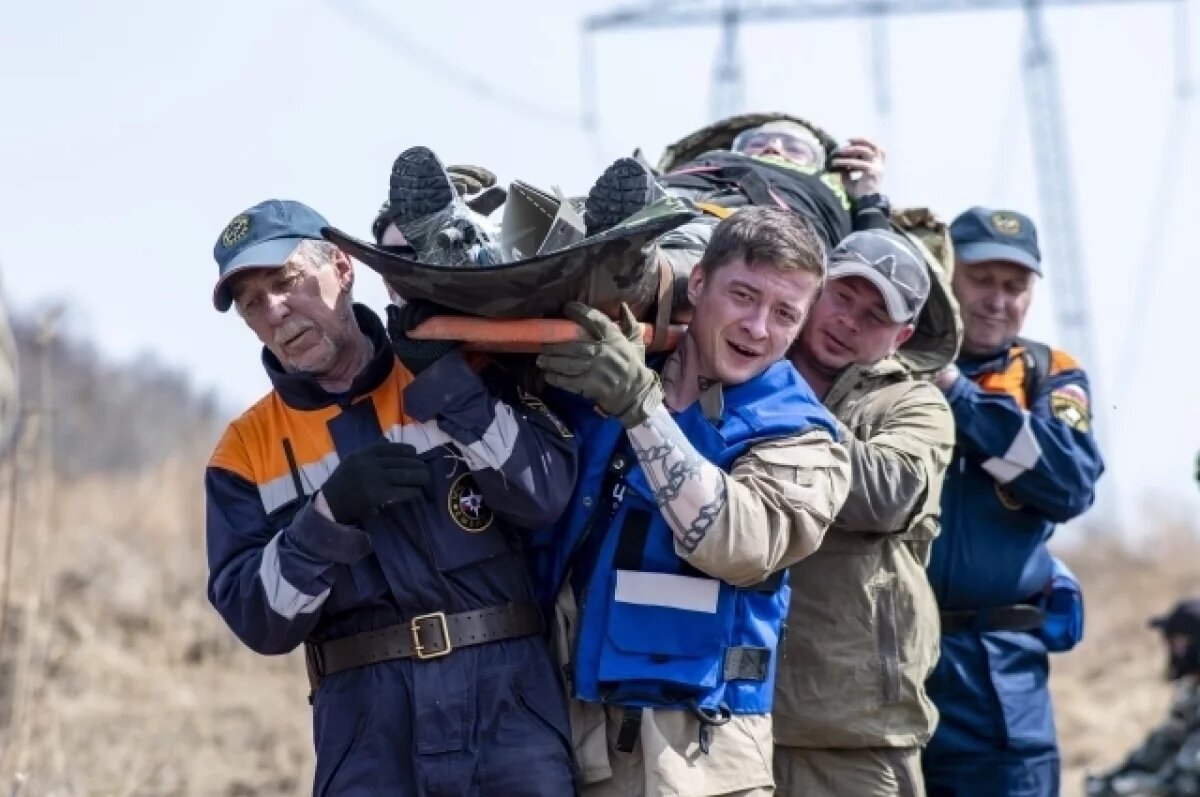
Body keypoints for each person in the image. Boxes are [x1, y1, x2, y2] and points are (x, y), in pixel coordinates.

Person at [203, 198, 580, 796]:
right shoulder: (243, 452)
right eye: (252, 303)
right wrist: (323, 520)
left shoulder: (459, 364)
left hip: (509, 709)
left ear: (344, 269)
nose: (274, 309)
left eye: (286, 281)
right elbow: (259, 622)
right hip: (368, 733)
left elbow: (542, 495)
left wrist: (449, 385)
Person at [533, 205, 852, 797]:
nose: (758, 326)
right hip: (570, 745)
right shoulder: (613, 368)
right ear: (698, 283)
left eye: (784, 313)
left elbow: (739, 543)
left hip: (703, 758)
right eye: (743, 296)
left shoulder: (804, 437)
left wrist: (641, 411)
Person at [921, 206, 1105, 797]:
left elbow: (1070, 484)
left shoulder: (1049, 372)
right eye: (982, 280)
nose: (997, 300)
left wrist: (960, 397)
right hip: (883, 661)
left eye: (1015, 286)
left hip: (996, 675)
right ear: (948, 274)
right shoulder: (887, 359)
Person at [774, 228, 959, 796]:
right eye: (843, 297)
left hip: (853, 732)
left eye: (875, 315)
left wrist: (774, 399)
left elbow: (888, 491)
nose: (850, 320)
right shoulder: (744, 361)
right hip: (728, 716)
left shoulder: (913, 404)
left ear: (901, 336)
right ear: (814, 289)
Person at [1085, 599, 1200, 797]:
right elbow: (1164, 741)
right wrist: (1117, 776)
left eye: (1176, 642)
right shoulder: (1192, 690)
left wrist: (1134, 786)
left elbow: (1188, 780)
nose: (1172, 650)